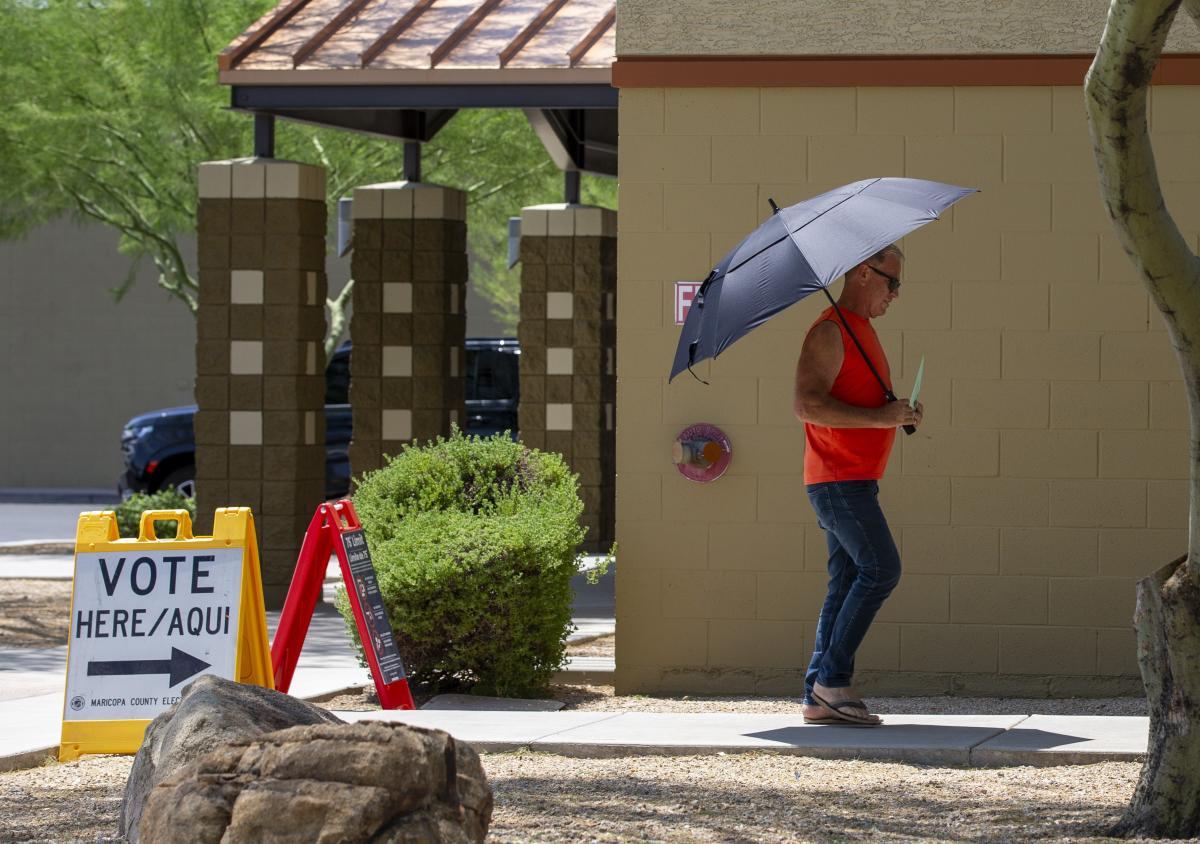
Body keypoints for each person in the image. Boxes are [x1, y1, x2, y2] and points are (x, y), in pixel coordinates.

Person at [792, 244, 922, 726]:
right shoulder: (830, 331)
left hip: (854, 481)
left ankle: (816, 694)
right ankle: (832, 682)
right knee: (881, 569)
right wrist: (878, 417)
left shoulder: (859, 331)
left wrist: (895, 415)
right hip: (837, 480)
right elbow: (807, 406)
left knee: (846, 580)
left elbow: (861, 408)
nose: (896, 294)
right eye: (893, 282)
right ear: (865, 273)